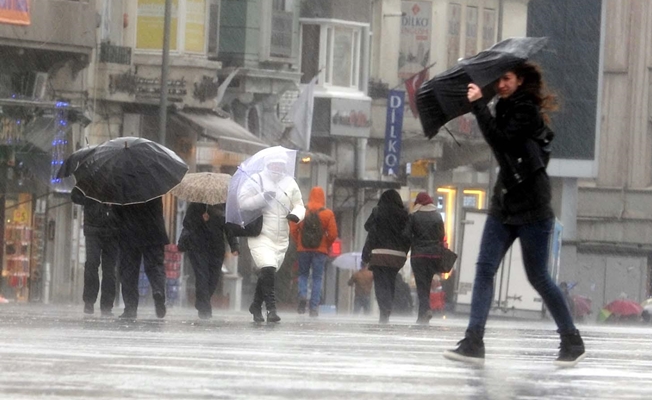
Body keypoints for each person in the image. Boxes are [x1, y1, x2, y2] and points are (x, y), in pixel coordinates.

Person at [443, 62, 585, 367]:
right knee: (483, 269)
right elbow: (500, 145)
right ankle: (473, 340)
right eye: (499, 80)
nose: (502, 85)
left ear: (520, 81)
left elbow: (501, 140)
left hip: (533, 207)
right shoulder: (504, 106)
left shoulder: (525, 111)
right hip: (504, 203)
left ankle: (571, 339)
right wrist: (481, 105)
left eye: (507, 79)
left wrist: (479, 105)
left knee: (539, 278)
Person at [238, 156, 305, 323]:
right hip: (261, 234)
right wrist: (262, 197)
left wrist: (296, 215)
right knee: (267, 268)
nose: (278, 167)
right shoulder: (256, 179)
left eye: (281, 164)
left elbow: (299, 204)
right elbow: (243, 202)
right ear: (268, 164)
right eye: (275, 163)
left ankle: (255, 305)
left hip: (281, 237)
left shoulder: (290, 183)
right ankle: (271, 309)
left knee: (268, 271)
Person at [114, 197, 169, 320]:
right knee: (155, 266)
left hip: (130, 232)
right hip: (154, 231)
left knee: (128, 271)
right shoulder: (154, 184)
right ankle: (158, 291)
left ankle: (130, 307)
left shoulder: (125, 186)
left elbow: (117, 212)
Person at [361, 189, 410, 324]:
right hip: (396, 256)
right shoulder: (404, 215)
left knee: (380, 283)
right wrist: (404, 253)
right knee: (391, 281)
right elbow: (407, 236)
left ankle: (384, 308)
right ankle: (388, 307)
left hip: (379, 254)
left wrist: (366, 253)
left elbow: (368, 228)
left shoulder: (378, 211)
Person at [183, 202, 239, 319]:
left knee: (213, 279)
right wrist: (200, 219)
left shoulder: (224, 207)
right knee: (202, 276)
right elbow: (187, 224)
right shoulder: (195, 206)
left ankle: (202, 300)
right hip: (198, 247)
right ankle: (205, 308)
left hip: (216, 249)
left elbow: (229, 228)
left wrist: (234, 246)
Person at [290, 186, 338, 317]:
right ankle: (314, 307)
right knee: (317, 278)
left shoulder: (301, 211)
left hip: (303, 249)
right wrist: (325, 244)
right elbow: (333, 234)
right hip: (320, 251)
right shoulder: (327, 213)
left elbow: (293, 229)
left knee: (303, 275)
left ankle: (302, 295)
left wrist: (299, 242)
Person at [72, 188, 119, 317]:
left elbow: (128, 202)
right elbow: (75, 196)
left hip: (113, 230)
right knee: (92, 264)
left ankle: (107, 305)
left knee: (109, 269)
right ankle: (89, 301)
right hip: (93, 228)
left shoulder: (120, 178)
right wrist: (90, 198)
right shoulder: (90, 177)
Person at [404, 192, 446, 324]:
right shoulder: (437, 216)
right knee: (426, 284)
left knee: (421, 284)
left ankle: (426, 309)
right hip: (434, 255)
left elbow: (406, 234)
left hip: (419, 255)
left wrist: (413, 242)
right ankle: (422, 315)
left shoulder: (414, 216)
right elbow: (441, 235)